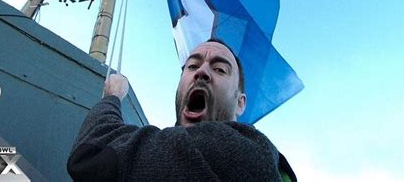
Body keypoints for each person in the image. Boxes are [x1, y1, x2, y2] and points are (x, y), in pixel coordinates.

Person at [67, 39, 297, 181]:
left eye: (219, 69)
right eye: (193, 66)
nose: (202, 72)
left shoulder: (247, 151)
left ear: (240, 103)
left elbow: (91, 157)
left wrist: (113, 96)